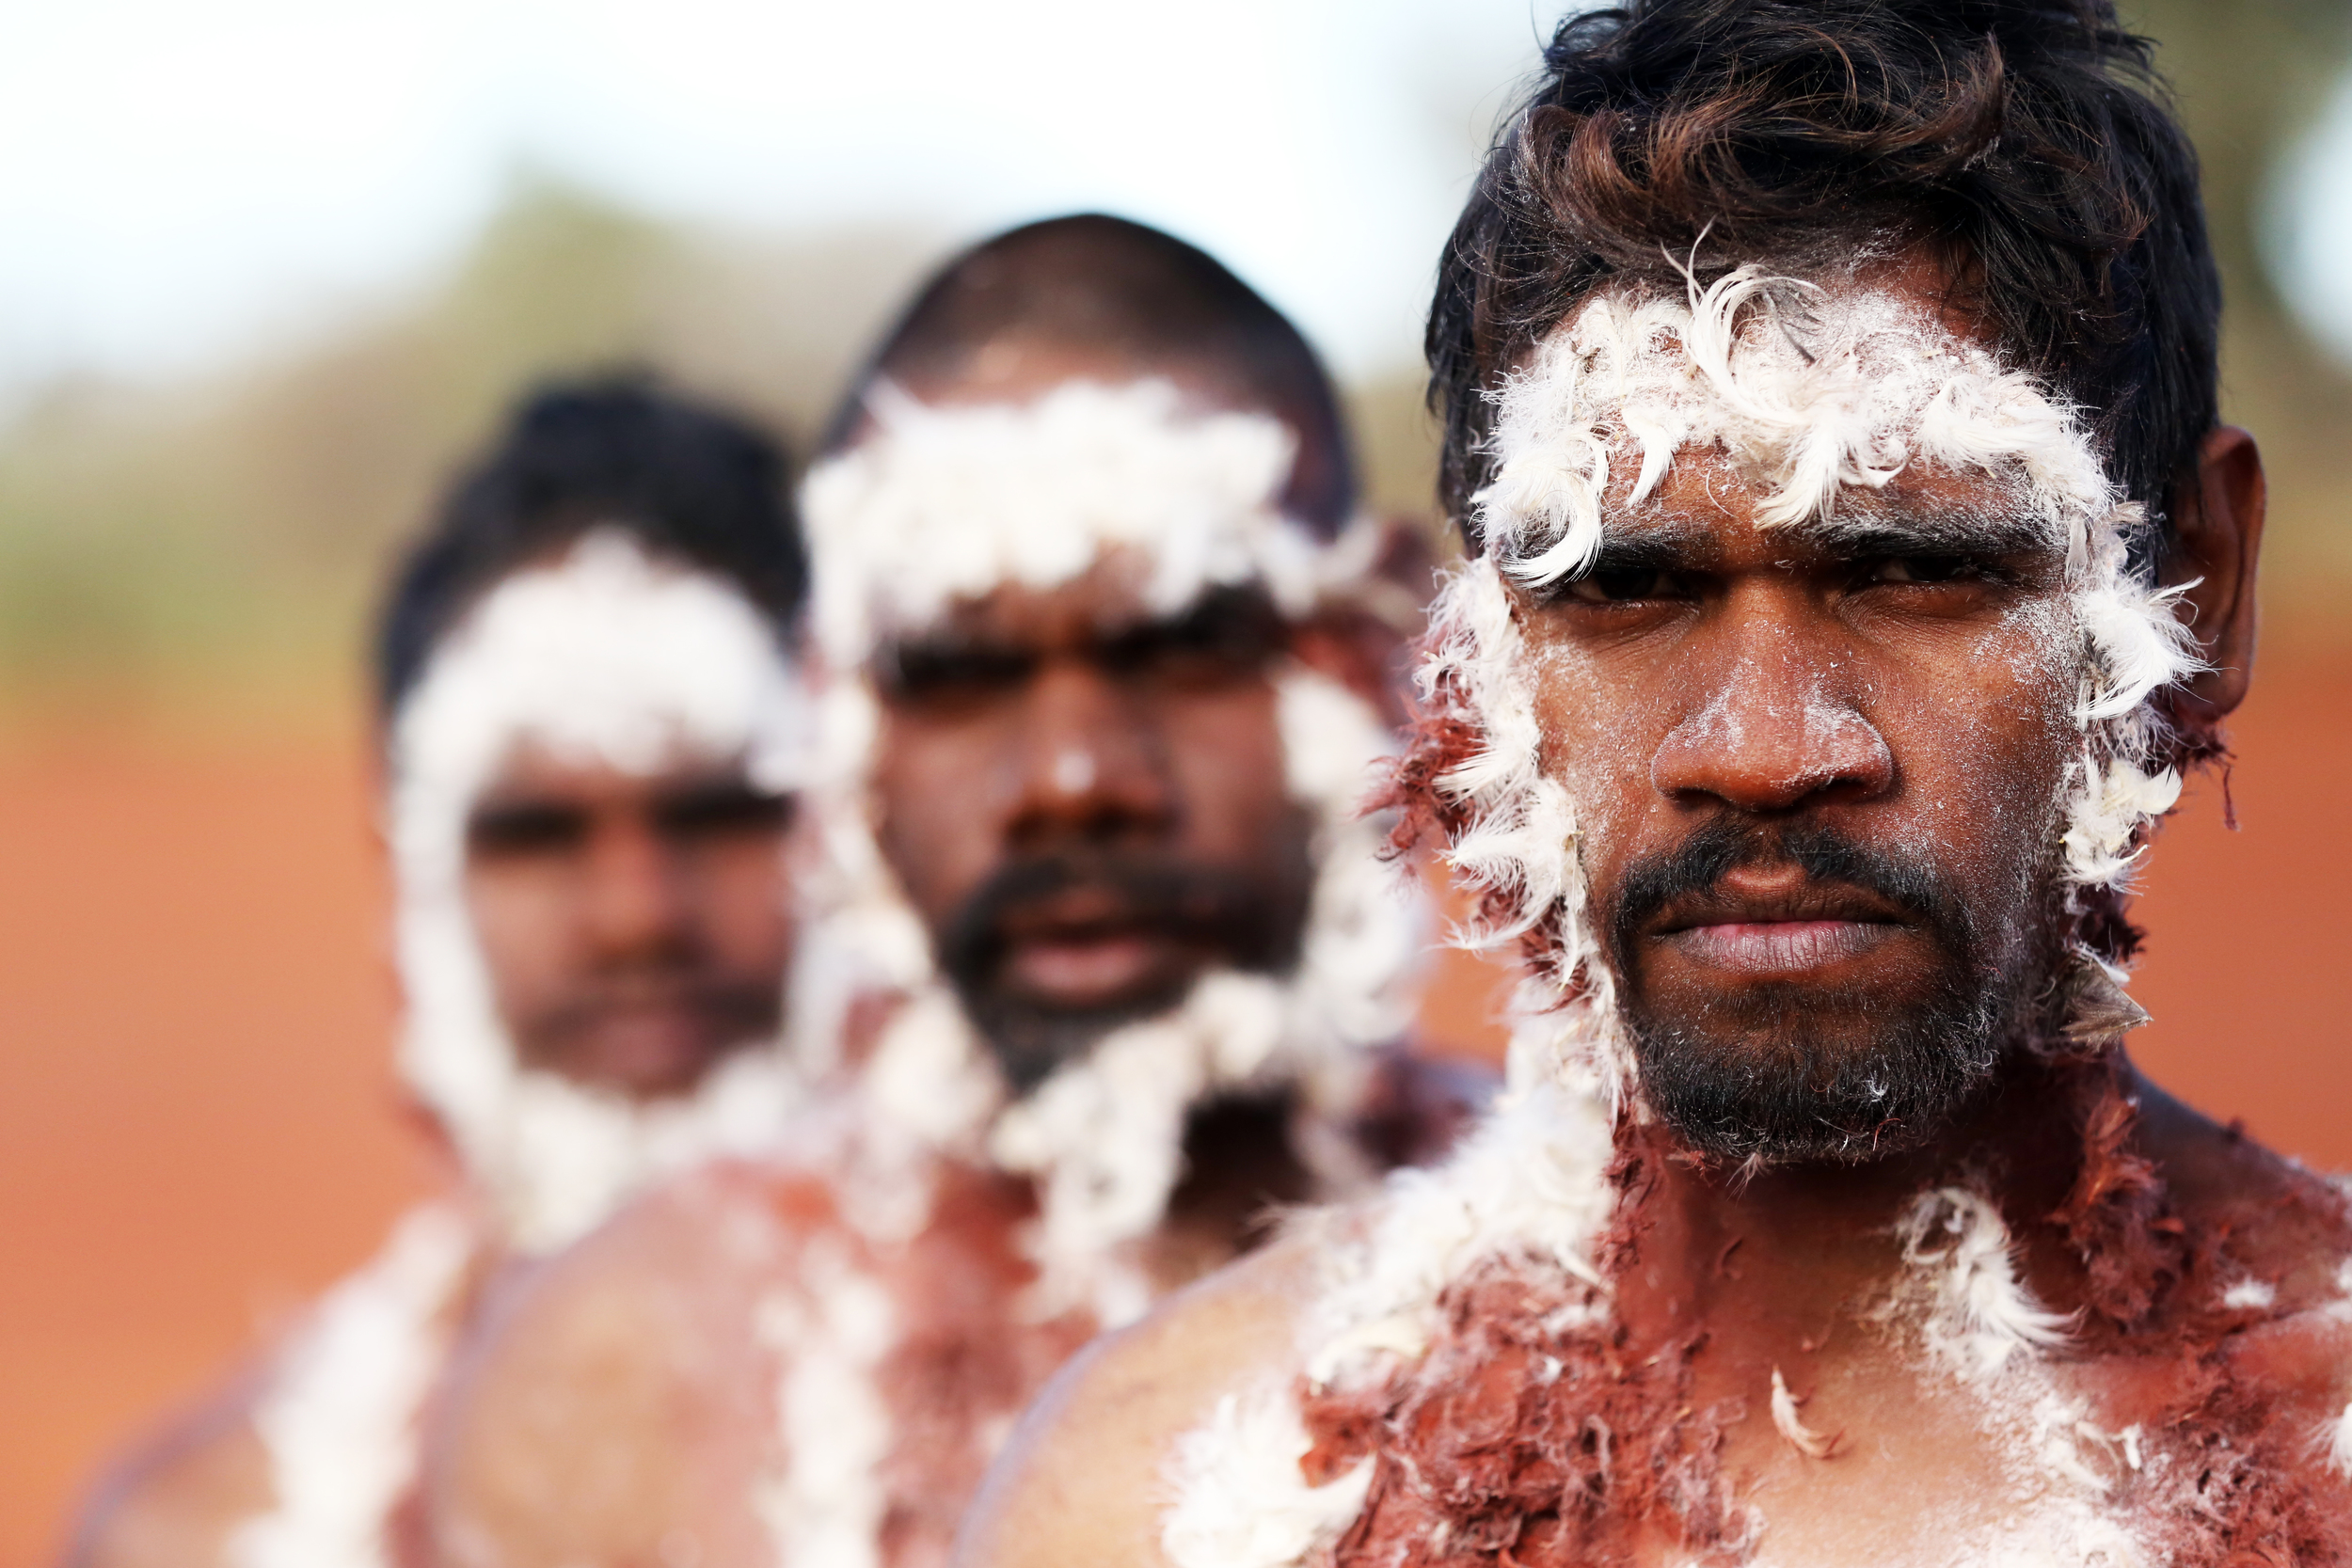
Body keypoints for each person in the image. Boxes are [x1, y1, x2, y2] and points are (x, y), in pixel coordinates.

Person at [958, 8, 2352, 1564]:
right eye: (1627, 589)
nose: (1760, 751)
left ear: (2201, 584)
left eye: (1911, 570)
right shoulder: (1188, 1496)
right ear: (1477, 656)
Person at [411, 214, 1483, 1568]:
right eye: (961, 674)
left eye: (1183, 645)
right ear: (841, 722)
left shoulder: (1598, 1267)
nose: (1076, 776)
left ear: (1377, 651)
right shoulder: (624, 1371)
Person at [66, 379, 814, 1568]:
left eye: (718, 814)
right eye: (537, 835)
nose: (635, 919)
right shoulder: (206, 1530)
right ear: (414, 874)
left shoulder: (1082, 1441)